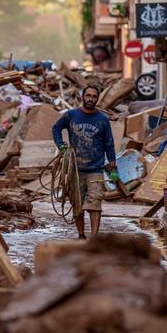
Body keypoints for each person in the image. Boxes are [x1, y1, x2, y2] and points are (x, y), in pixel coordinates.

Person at [51, 85, 118, 240]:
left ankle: (94, 238)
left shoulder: (102, 119)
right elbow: (56, 128)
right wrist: (61, 145)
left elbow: (109, 142)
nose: (90, 99)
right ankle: (81, 235)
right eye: (88, 95)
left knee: (95, 203)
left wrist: (113, 166)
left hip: (96, 168)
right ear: (82, 96)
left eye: (94, 96)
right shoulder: (71, 115)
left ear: (97, 99)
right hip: (76, 168)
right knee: (77, 204)